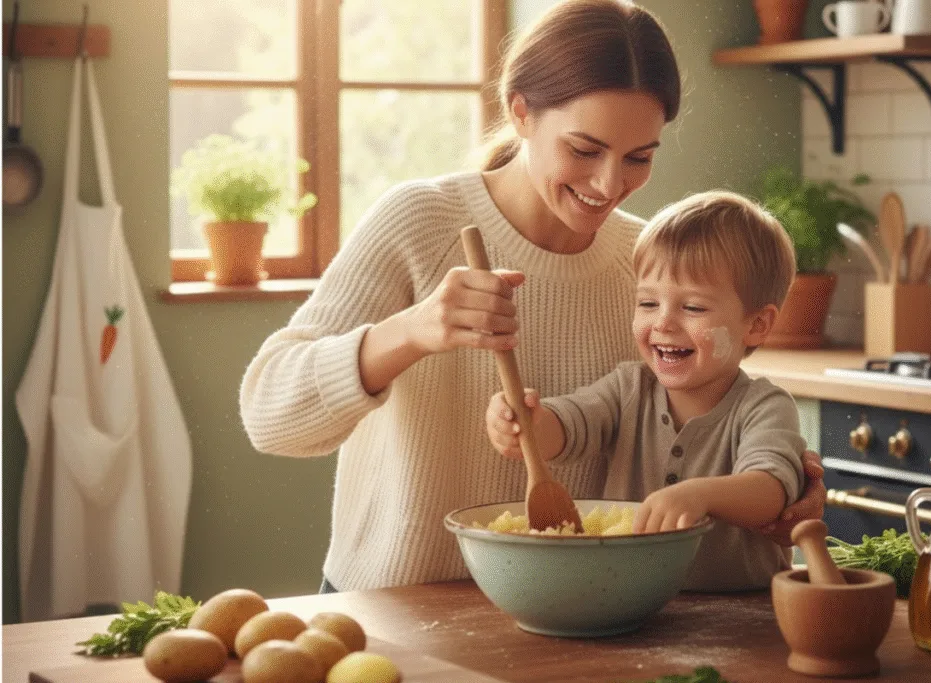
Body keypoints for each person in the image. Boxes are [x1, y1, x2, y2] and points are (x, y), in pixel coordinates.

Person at [240, 0, 825, 595]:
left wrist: (777, 497)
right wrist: (412, 331)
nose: (609, 185)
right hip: (396, 604)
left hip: (567, 610)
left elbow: (676, 438)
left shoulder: (648, 266)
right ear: (521, 113)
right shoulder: (422, 221)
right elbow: (270, 418)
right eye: (584, 150)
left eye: (639, 158)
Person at [486, 191, 806, 591]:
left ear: (756, 324)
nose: (663, 323)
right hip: (630, 603)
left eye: (693, 308)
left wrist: (698, 496)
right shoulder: (628, 388)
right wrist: (527, 423)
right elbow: (569, 426)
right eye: (648, 303)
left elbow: (770, 490)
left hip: (742, 616)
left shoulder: (764, 407)